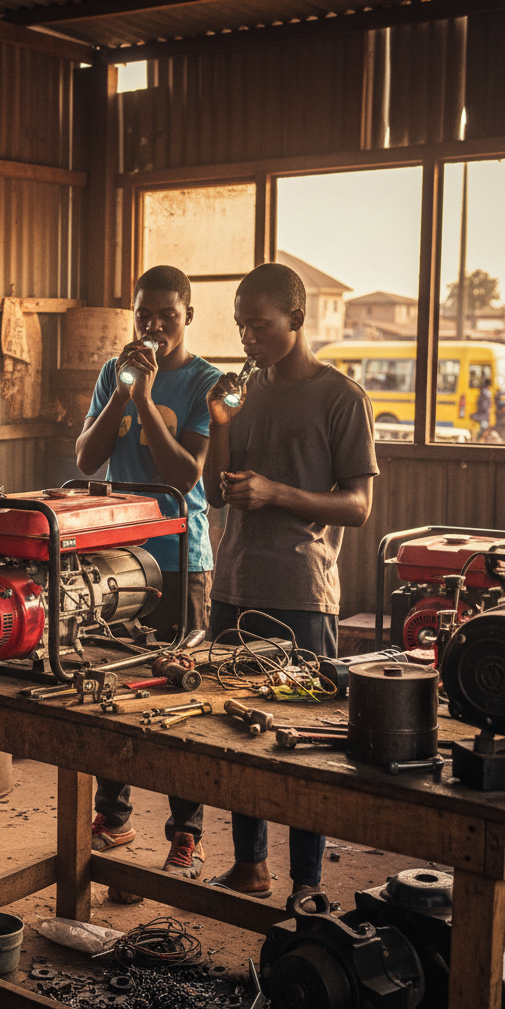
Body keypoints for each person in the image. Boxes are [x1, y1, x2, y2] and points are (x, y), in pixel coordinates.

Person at [203, 262, 378, 903]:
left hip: (302, 594)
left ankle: (307, 882)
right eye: (241, 325)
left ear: (298, 320)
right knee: (236, 729)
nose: (247, 337)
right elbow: (211, 494)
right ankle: (251, 864)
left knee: (303, 741)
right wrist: (220, 425)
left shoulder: (342, 398)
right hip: (235, 586)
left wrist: (276, 491)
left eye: (260, 325)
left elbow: (358, 506)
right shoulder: (240, 393)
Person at [76, 265, 223, 880]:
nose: (154, 325)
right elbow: (86, 460)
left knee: (175, 691)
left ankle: (185, 831)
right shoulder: (116, 372)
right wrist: (121, 393)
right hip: (121, 558)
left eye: (167, 313)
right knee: (110, 684)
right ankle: (113, 816)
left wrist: (147, 398)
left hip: (181, 560)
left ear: (188, 314)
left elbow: (186, 474)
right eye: (143, 315)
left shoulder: (207, 381)